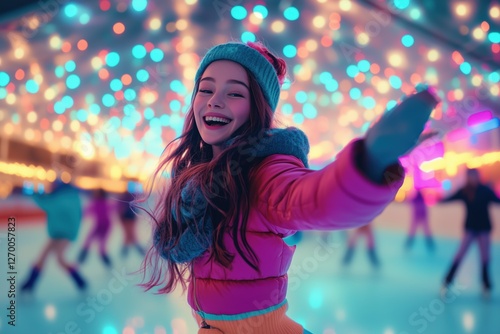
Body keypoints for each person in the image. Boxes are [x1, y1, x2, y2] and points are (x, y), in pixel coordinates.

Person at [139, 41, 439, 333]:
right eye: (205, 89)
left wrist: (368, 164)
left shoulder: (265, 169)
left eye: (234, 93)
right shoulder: (200, 176)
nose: (215, 100)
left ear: (258, 108)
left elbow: (311, 198)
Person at [440, 168, 500, 298]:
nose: (473, 179)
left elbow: (497, 200)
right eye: (470, 176)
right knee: (459, 255)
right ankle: (447, 282)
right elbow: (450, 198)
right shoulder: (464, 191)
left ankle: (486, 286)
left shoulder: (485, 190)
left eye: (475, 176)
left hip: (484, 228)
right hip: (470, 228)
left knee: (485, 258)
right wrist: (440, 199)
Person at [20, 179, 87, 293]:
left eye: (52, 186)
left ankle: (80, 281)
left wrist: (34, 195)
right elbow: (79, 214)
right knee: (45, 256)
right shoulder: (72, 197)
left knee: (59, 257)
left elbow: (47, 204)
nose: (50, 188)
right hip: (62, 232)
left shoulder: (59, 199)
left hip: (64, 233)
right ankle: (30, 283)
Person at [78, 188, 114, 268]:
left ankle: (107, 262)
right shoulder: (98, 203)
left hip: (105, 225)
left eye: (96, 193)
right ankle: (81, 258)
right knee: (90, 240)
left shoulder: (101, 203)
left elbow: (86, 212)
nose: (94, 194)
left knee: (100, 244)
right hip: (101, 225)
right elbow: (86, 212)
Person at [118, 189, 145, 258]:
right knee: (130, 235)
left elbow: (123, 208)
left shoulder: (127, 197)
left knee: (130, 235)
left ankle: (125, 251)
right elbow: (133, 207)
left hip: (128, 217)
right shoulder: (130, 197)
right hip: (128, 217)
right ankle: (138, 250)